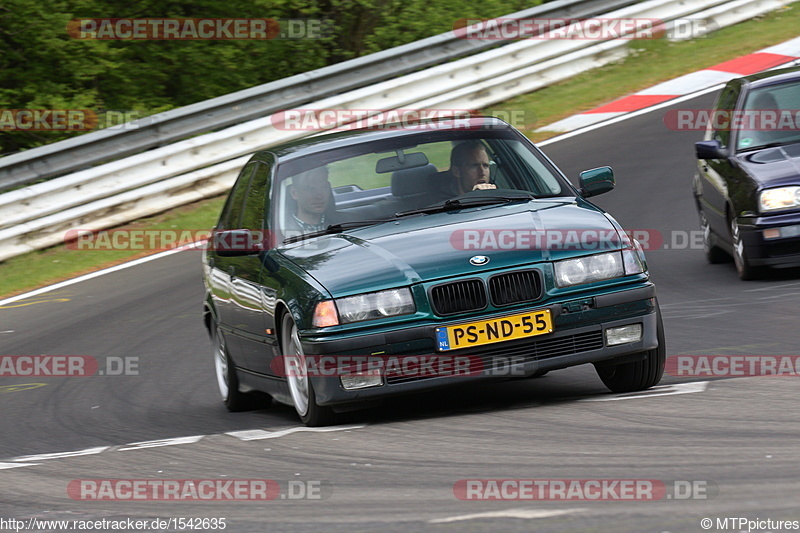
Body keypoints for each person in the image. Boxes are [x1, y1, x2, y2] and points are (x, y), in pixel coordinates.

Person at [285, 166, 334, 236]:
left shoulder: (346, 223)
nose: (319, 196)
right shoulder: (281, 232)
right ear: (294, 193)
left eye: (323, 187)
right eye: (310, 189)